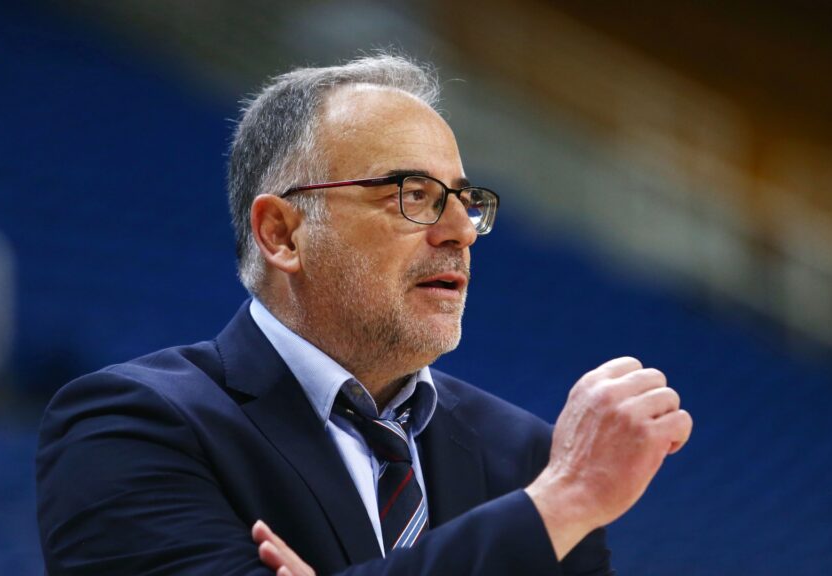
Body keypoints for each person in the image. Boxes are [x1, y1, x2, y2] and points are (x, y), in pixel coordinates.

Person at [36, 53, 692, 576]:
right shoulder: (130, 424)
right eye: (413, 194)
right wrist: (560, 504)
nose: (461, 230)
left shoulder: (524, 456)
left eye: (464, 201)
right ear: (282, 234)